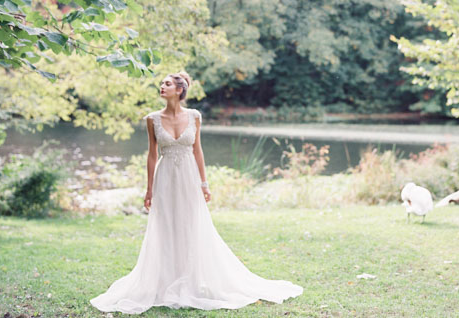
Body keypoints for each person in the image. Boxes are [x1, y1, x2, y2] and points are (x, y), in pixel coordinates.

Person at [90, 71, 303, 314]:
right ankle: (166, 280)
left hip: (189, 177)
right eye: (161, 83)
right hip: (166, 176)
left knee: (191, 224)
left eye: (167, 84)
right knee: (166, 225)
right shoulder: (152, 119)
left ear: (179, 90)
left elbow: (198, 151)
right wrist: (149, 189)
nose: (162, 86)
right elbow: (151, 155)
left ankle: (192, 279)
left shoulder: (194, 116)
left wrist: (204, 183)